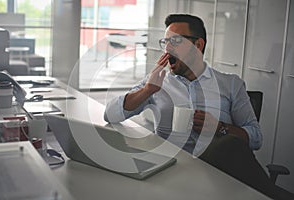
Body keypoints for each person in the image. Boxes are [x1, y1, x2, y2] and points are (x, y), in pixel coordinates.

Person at [104, 14, 278, 199]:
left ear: (198, 45)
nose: (168, 48)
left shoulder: (231, 84)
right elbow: (110, 114)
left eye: (176, 41)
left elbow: (256, 138)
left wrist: (220, 128)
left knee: (230, 143)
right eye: (166, 41)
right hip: (171, 172)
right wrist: (147, 90)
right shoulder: (156, 82)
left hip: (219, 175)